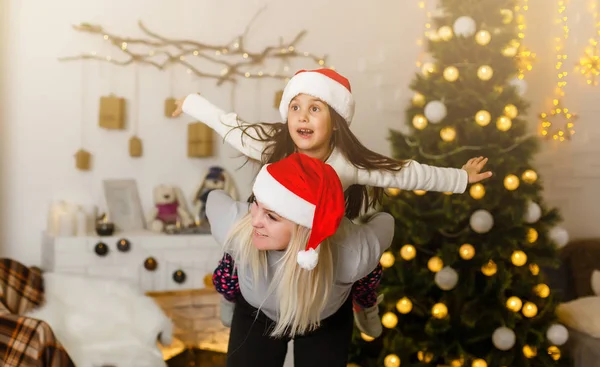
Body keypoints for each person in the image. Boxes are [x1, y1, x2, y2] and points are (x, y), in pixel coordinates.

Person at [174, 68, 492, 338]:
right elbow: (231, 126)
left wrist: (459, 179)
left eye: (315, 108)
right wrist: (191, 103)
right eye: (295, 107)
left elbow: (403, 173)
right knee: (234, 249)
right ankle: (230, 296)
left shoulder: (349, 162)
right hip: (271, 228)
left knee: (364, 266)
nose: (303, 116)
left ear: (336, 120)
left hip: (320, 235)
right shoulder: (270, 143)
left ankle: (365, 304)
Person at [206, 152, 394, 367]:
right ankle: (228, 300)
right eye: (256, 203)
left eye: (271, 216)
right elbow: (214, 198)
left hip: (324, 318)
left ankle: (366, 309)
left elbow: (386, 222)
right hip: (257, 312)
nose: (255, 221)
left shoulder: (353, 253)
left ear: (305, 228)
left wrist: (365, 304)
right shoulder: (237, 225)